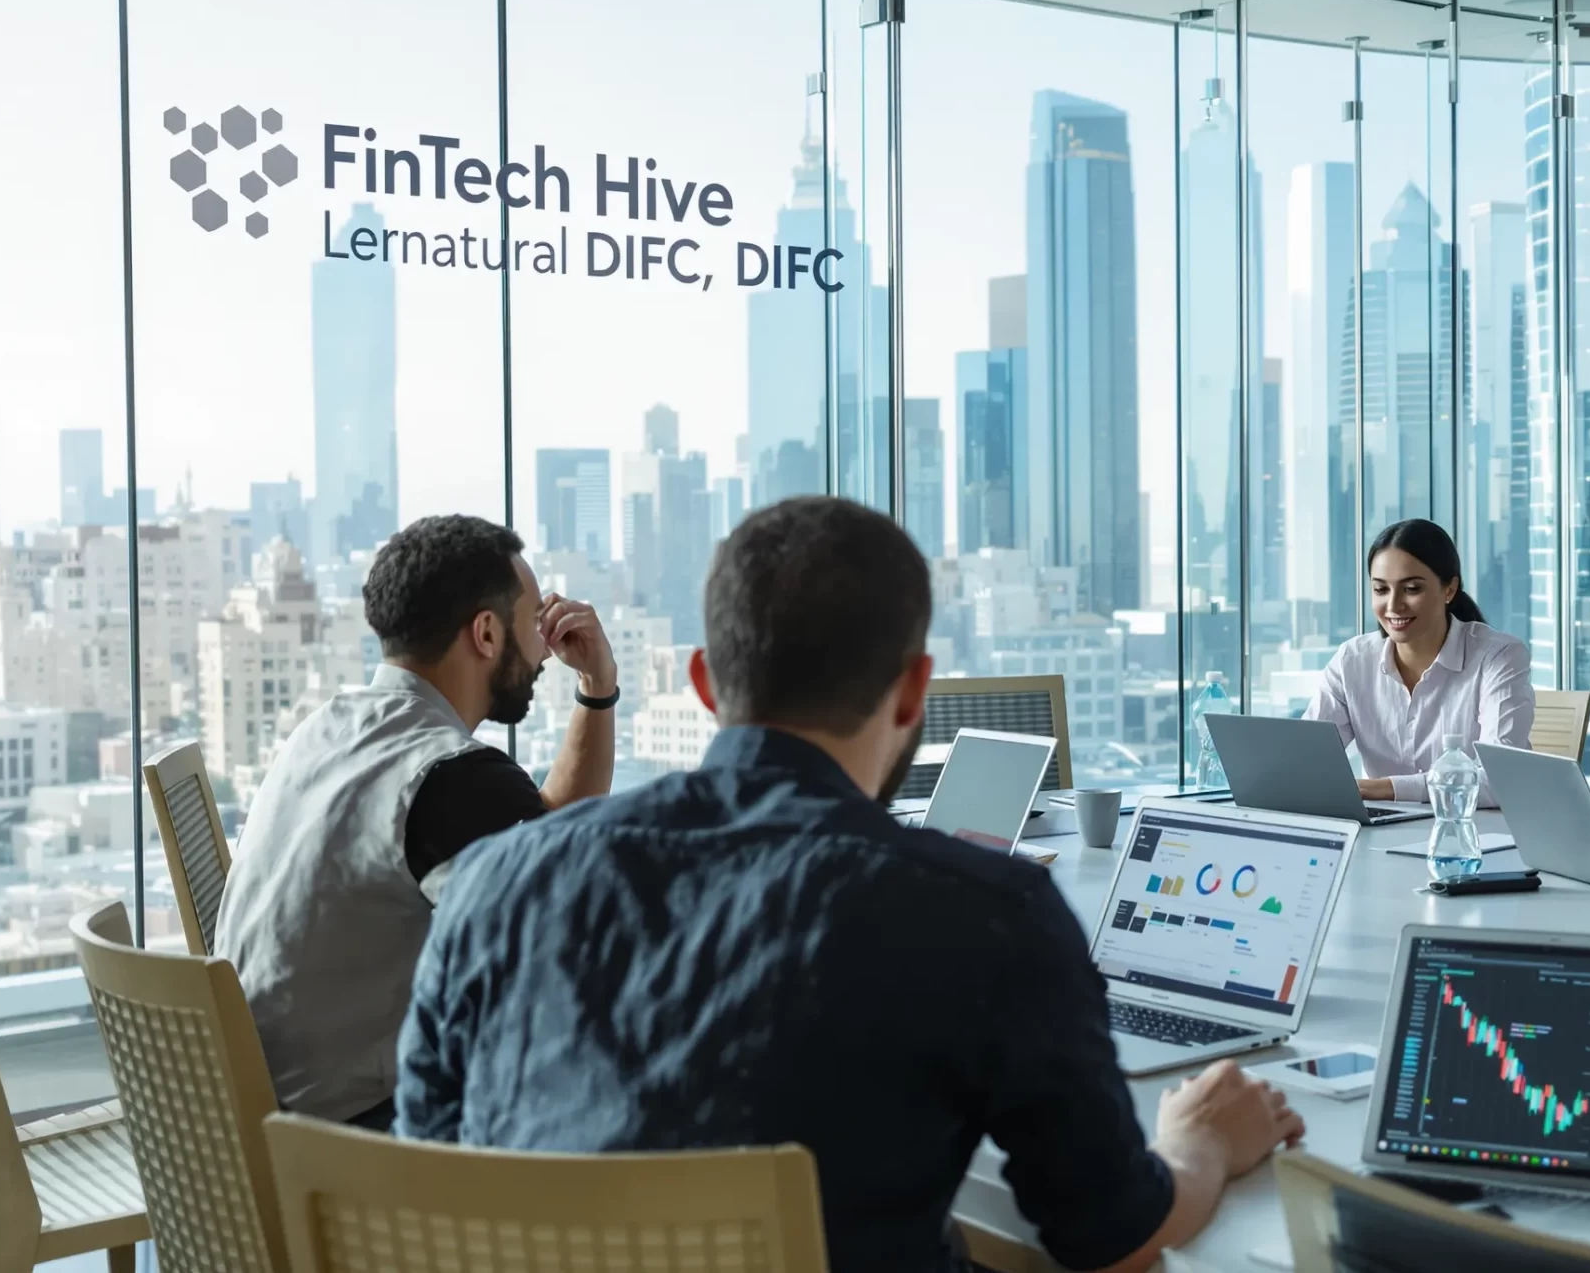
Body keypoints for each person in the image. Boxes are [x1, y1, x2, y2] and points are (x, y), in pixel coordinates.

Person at [396, 496, 1301, 1273]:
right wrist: (1202, 1140)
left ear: (706, 684)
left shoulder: (490, 884)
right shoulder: (985, 915)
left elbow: (427, 1177)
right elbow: (1111, 1236)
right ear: (914, 693)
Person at [217, 514, 619, 1129]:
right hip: (348, 1146)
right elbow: (556, 939)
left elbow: (547, 837)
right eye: (535, 620)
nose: (544, 647)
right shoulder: (448, 774)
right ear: (486, 633)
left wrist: (596, 688)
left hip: (253, 1115)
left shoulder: (325, 726)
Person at [1306, 518, 1534, 801]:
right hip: (1379, 832)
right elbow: (1307, 761)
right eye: (1380, 589)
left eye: (1411, 589)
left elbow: (1500, 779)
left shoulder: (1498, 657)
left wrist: (1380, 789)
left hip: (1474, 834)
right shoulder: (1352, 660)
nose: (1393, 605)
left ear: (1449, 589)